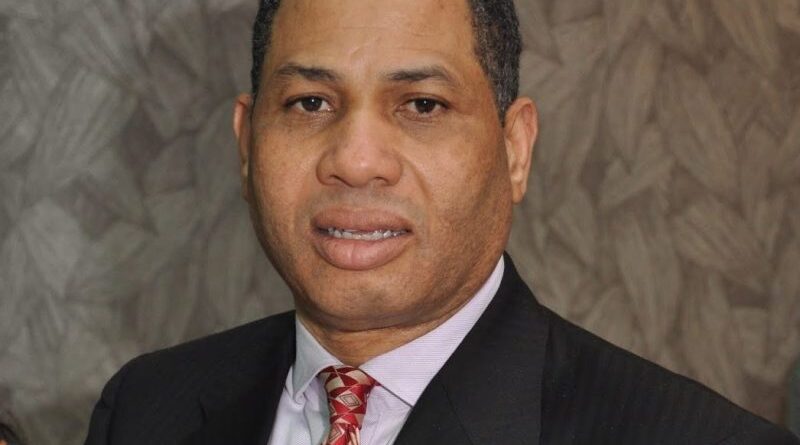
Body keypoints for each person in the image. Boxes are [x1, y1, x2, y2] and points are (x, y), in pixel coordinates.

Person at [84, 0, 799, 444]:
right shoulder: (145, 410)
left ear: (515, 150)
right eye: (310, 103)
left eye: (422, 105)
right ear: (246, 145)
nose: (356, 161)